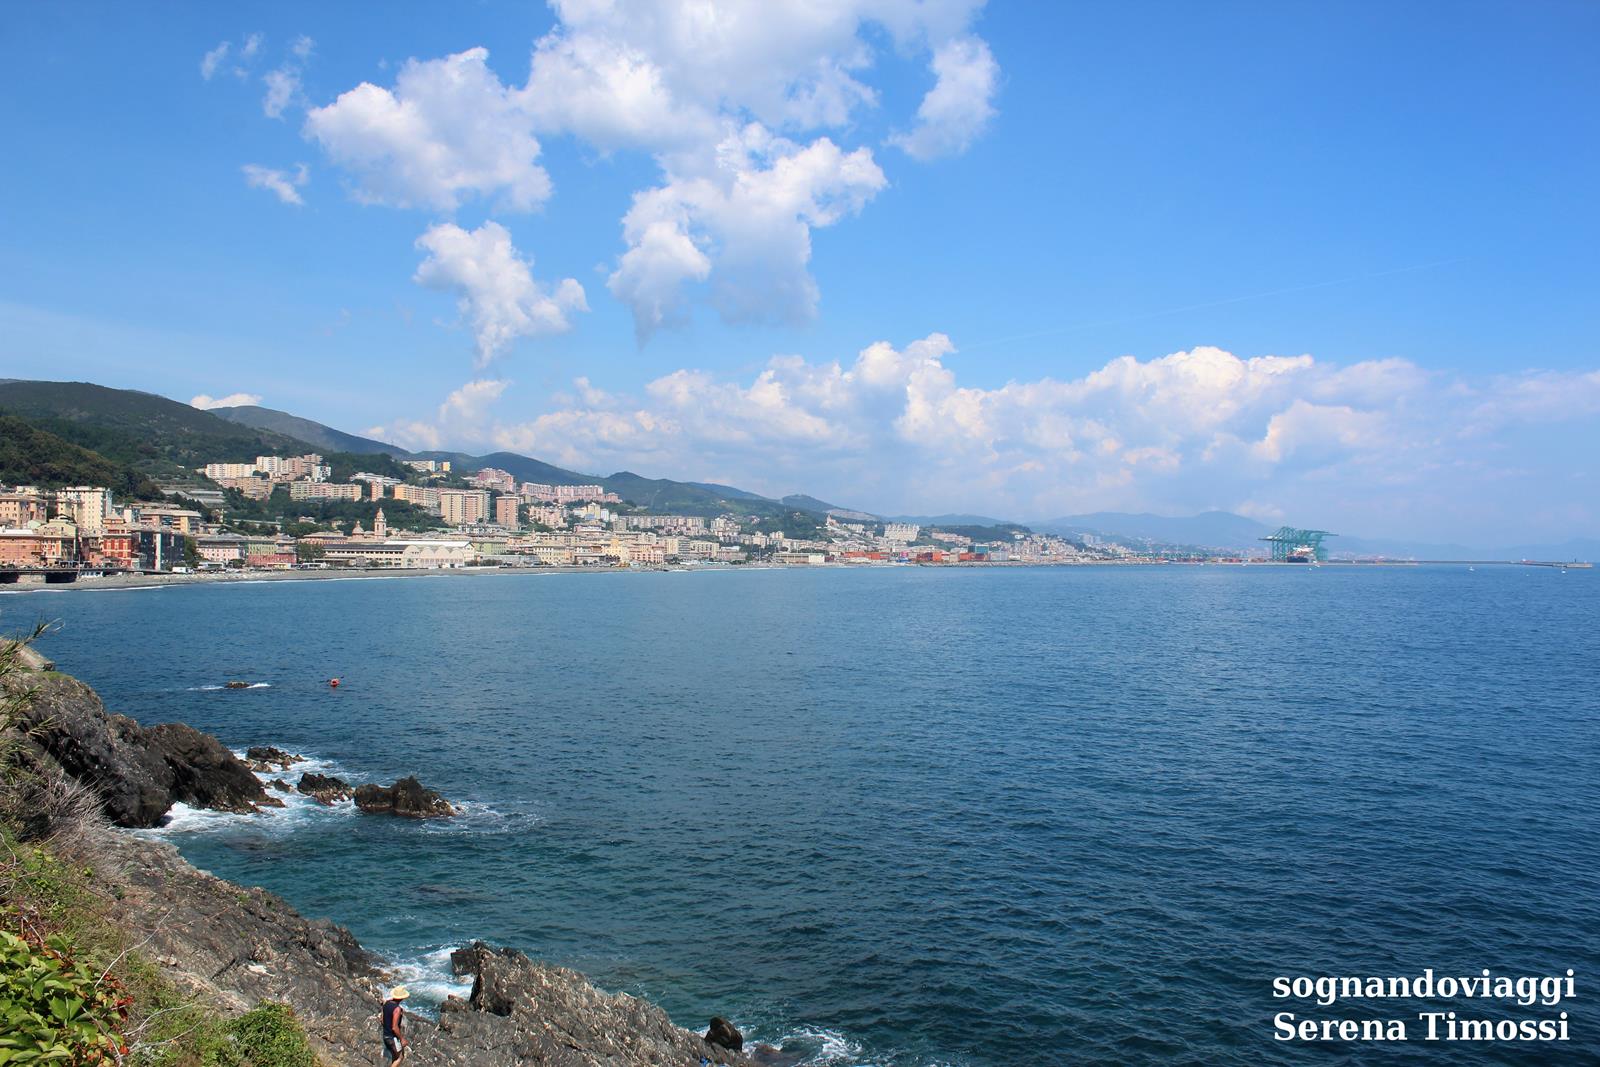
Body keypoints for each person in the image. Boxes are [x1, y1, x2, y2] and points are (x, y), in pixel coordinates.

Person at [381, 985, 410, 1063]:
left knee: (394, 1055)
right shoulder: (397, 1009)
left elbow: (382, 1020)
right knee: (400, 1057)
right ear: (402, 997)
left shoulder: (386, 1003)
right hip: (392, 1038)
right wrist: (402, 1039)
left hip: (385, 1035)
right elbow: (394, 1027)